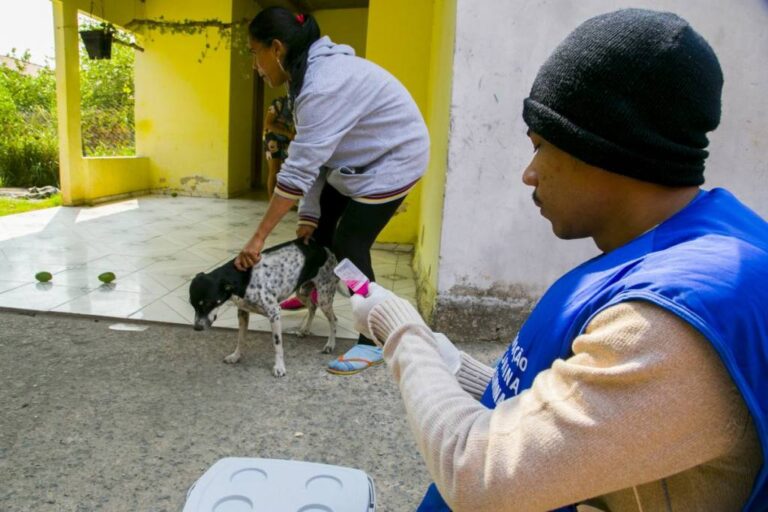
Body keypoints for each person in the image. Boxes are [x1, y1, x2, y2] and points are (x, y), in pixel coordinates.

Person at [350, 9, 767, 511]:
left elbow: (479, 475)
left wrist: (401, 330)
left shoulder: (668, 326)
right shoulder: (707, 239)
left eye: (541, 145)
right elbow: (577, 429)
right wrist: (451, 365)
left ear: (604, 148)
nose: (529, 174)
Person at [235, 7, 430, 375]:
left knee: (349, 245)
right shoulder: (304, 75)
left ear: (276, 48)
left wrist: (258, 237)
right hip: (357, 159)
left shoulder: (322, 84)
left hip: (395, 159)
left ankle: (372, 337)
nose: (255, 66)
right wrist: (309, 214)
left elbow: (298, 170)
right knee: (318, 233)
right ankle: (310, 290)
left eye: (254, 53)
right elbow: (311, 156)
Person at [263, 95, 295, 200]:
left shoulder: (300, 104)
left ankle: (283, 201)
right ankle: (272, 201)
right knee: (274, 170)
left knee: (287, 171)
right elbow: (268, 124)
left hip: (288, 139)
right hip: (272, 138)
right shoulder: (279, 102)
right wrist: (287, 133)